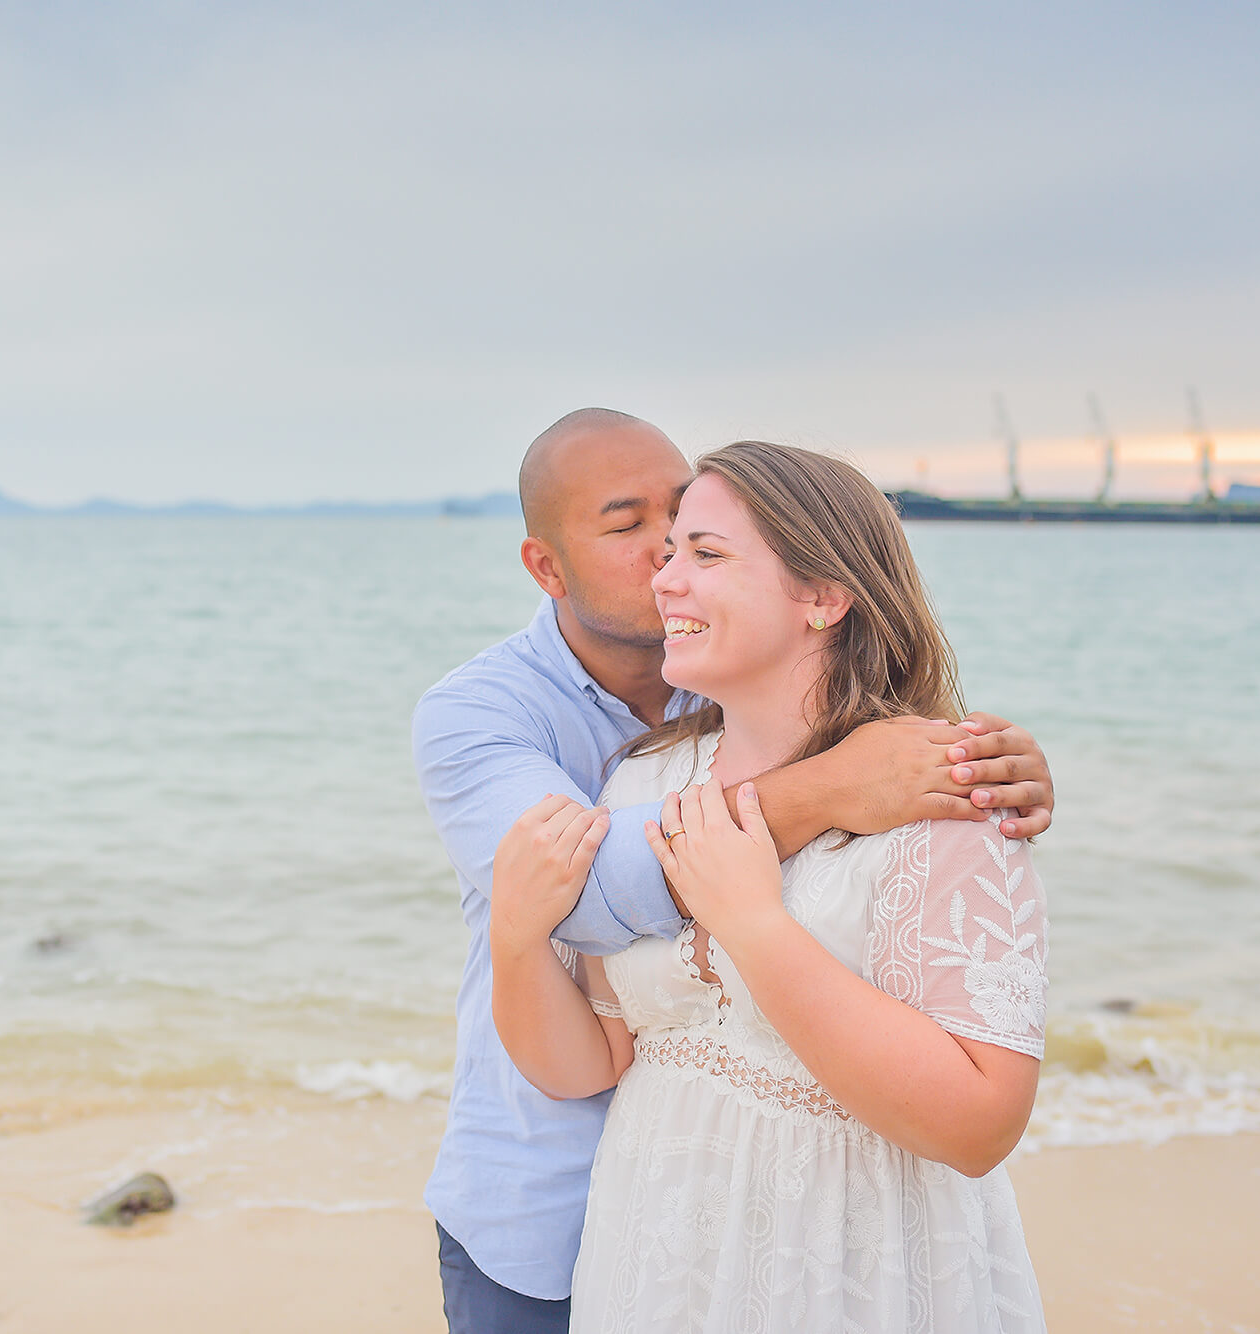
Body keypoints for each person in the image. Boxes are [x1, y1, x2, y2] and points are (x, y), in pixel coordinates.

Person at [414, 410, 1055, 1333]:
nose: (663, 568)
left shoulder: (888, 763)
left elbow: (980, 1114)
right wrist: (831, 791)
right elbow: (591, 911)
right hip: (578, 1220)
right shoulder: (512, 725)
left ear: (822, 595)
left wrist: (987, 771)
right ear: (546, 568)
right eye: (631, 529)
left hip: (841, 1250)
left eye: (689, 539)